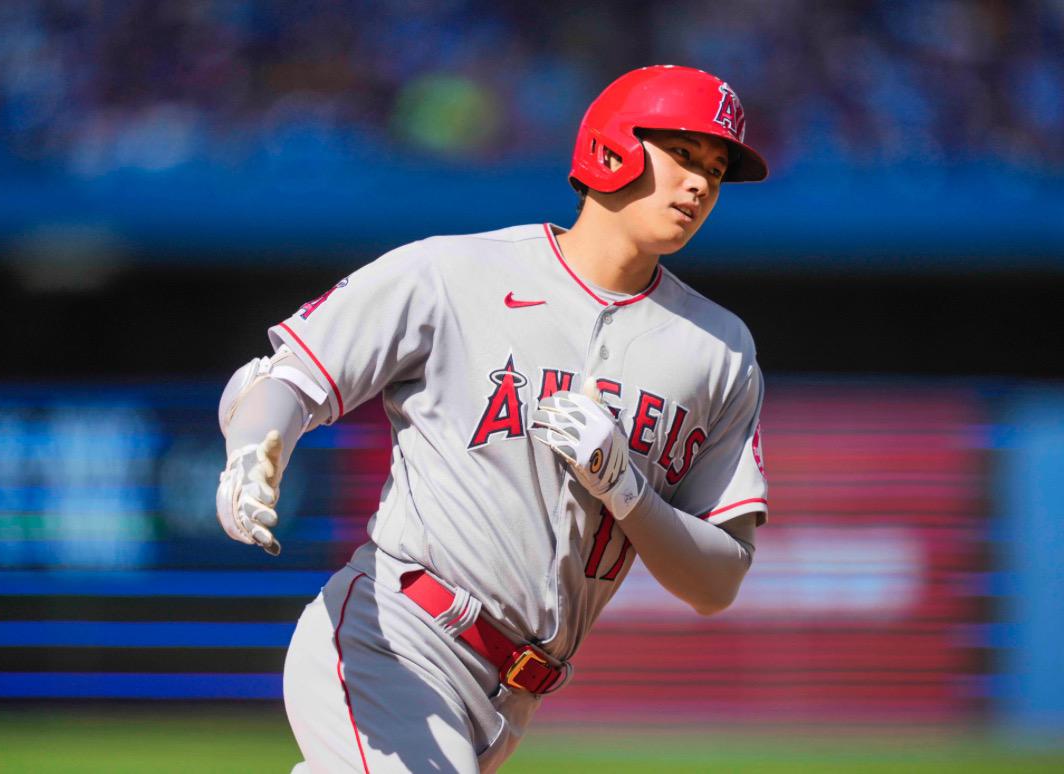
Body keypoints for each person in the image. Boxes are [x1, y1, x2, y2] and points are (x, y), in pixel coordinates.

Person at [216, 64, 770, 773]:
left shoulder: (718, 349)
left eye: (716, 171)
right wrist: (251, 450)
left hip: (511, 698)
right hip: (394, 634)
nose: (699, 184)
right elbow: (288, 378)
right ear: (611, 150)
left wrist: (627, 490)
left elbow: (717, 582)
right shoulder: (455, 273)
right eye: (684, 155)